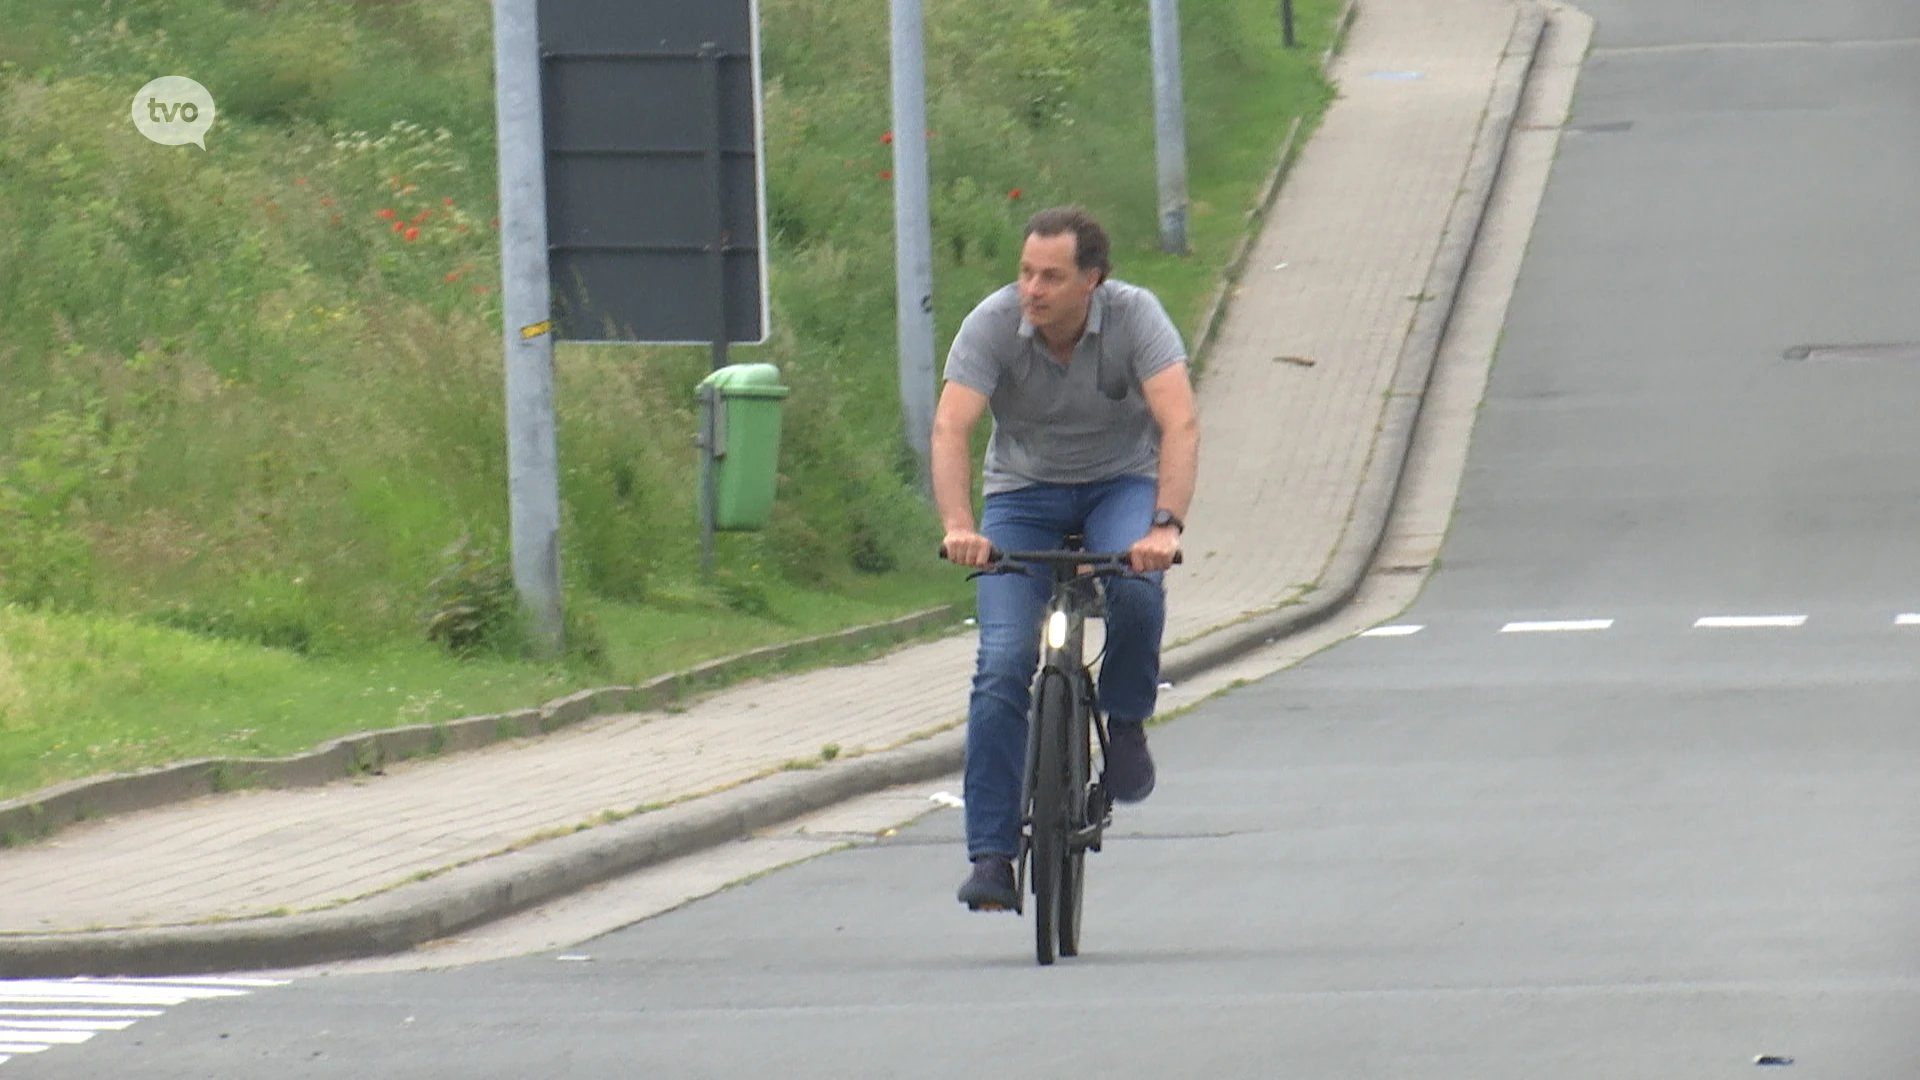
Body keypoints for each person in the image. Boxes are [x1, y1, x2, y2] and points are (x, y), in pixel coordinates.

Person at [933, 206, 1200, 911]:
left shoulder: (1136, 317)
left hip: (1121, 483)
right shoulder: (992, 324)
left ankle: (1126, 717)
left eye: (1051, 276)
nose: (1033, 289)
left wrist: (1164, 527)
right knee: (999, 665)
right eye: (1026, 272)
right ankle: (992, 855)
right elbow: (950, 425)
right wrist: (961, 524)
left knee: (1137, 587)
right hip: (1023, 495)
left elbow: (1179, 420)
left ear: (1093, 281)